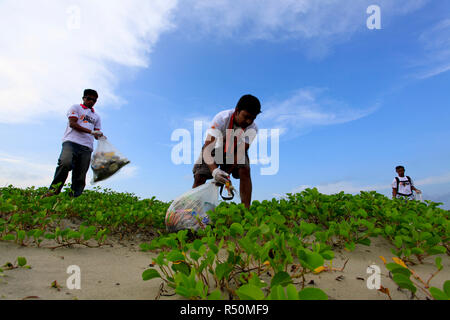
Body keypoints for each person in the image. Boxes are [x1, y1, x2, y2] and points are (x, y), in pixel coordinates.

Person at [192, 94, 261, 209]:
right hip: (215, 146)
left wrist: (225, 174)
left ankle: (246, 210)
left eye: (252, 118)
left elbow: (239, 154)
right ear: (237, 111)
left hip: (234, 150)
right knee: (200, 175)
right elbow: (207, 149)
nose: (248, 121)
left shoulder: (252, 128)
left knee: (245, 169)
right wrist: (215, 171)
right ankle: (193, 209)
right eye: (246, 116)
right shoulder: (221, 118)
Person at [44, 89, 104, 198]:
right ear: (83, 98)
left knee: (80, 174)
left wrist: (99, 135)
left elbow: (96, 133)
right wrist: (91, 131)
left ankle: (74, 198)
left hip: (87, 147)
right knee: (65, 163)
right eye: (89, 98)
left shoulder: (96, 116)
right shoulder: (76, 108)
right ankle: (52, 192)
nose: (91, 101)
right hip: (71, 142)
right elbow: (72, 123)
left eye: (94, 100)